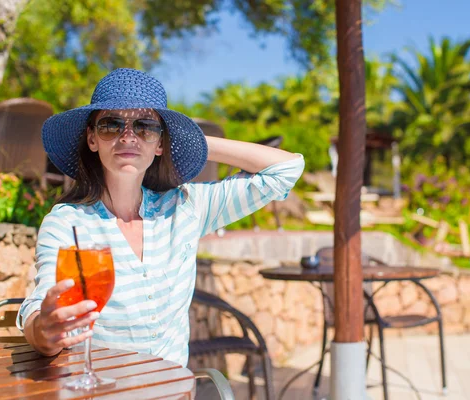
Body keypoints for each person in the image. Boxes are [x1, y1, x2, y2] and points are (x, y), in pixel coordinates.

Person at [17, 68, 305, 367]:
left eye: (144, 127)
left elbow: (285, 171)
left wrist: (188, 140)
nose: (128, 137)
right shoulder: (67, 223)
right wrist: (44, 332)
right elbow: (42, 309)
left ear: (160, 144)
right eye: (111, 125)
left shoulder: (185, 208)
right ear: (92, 139)